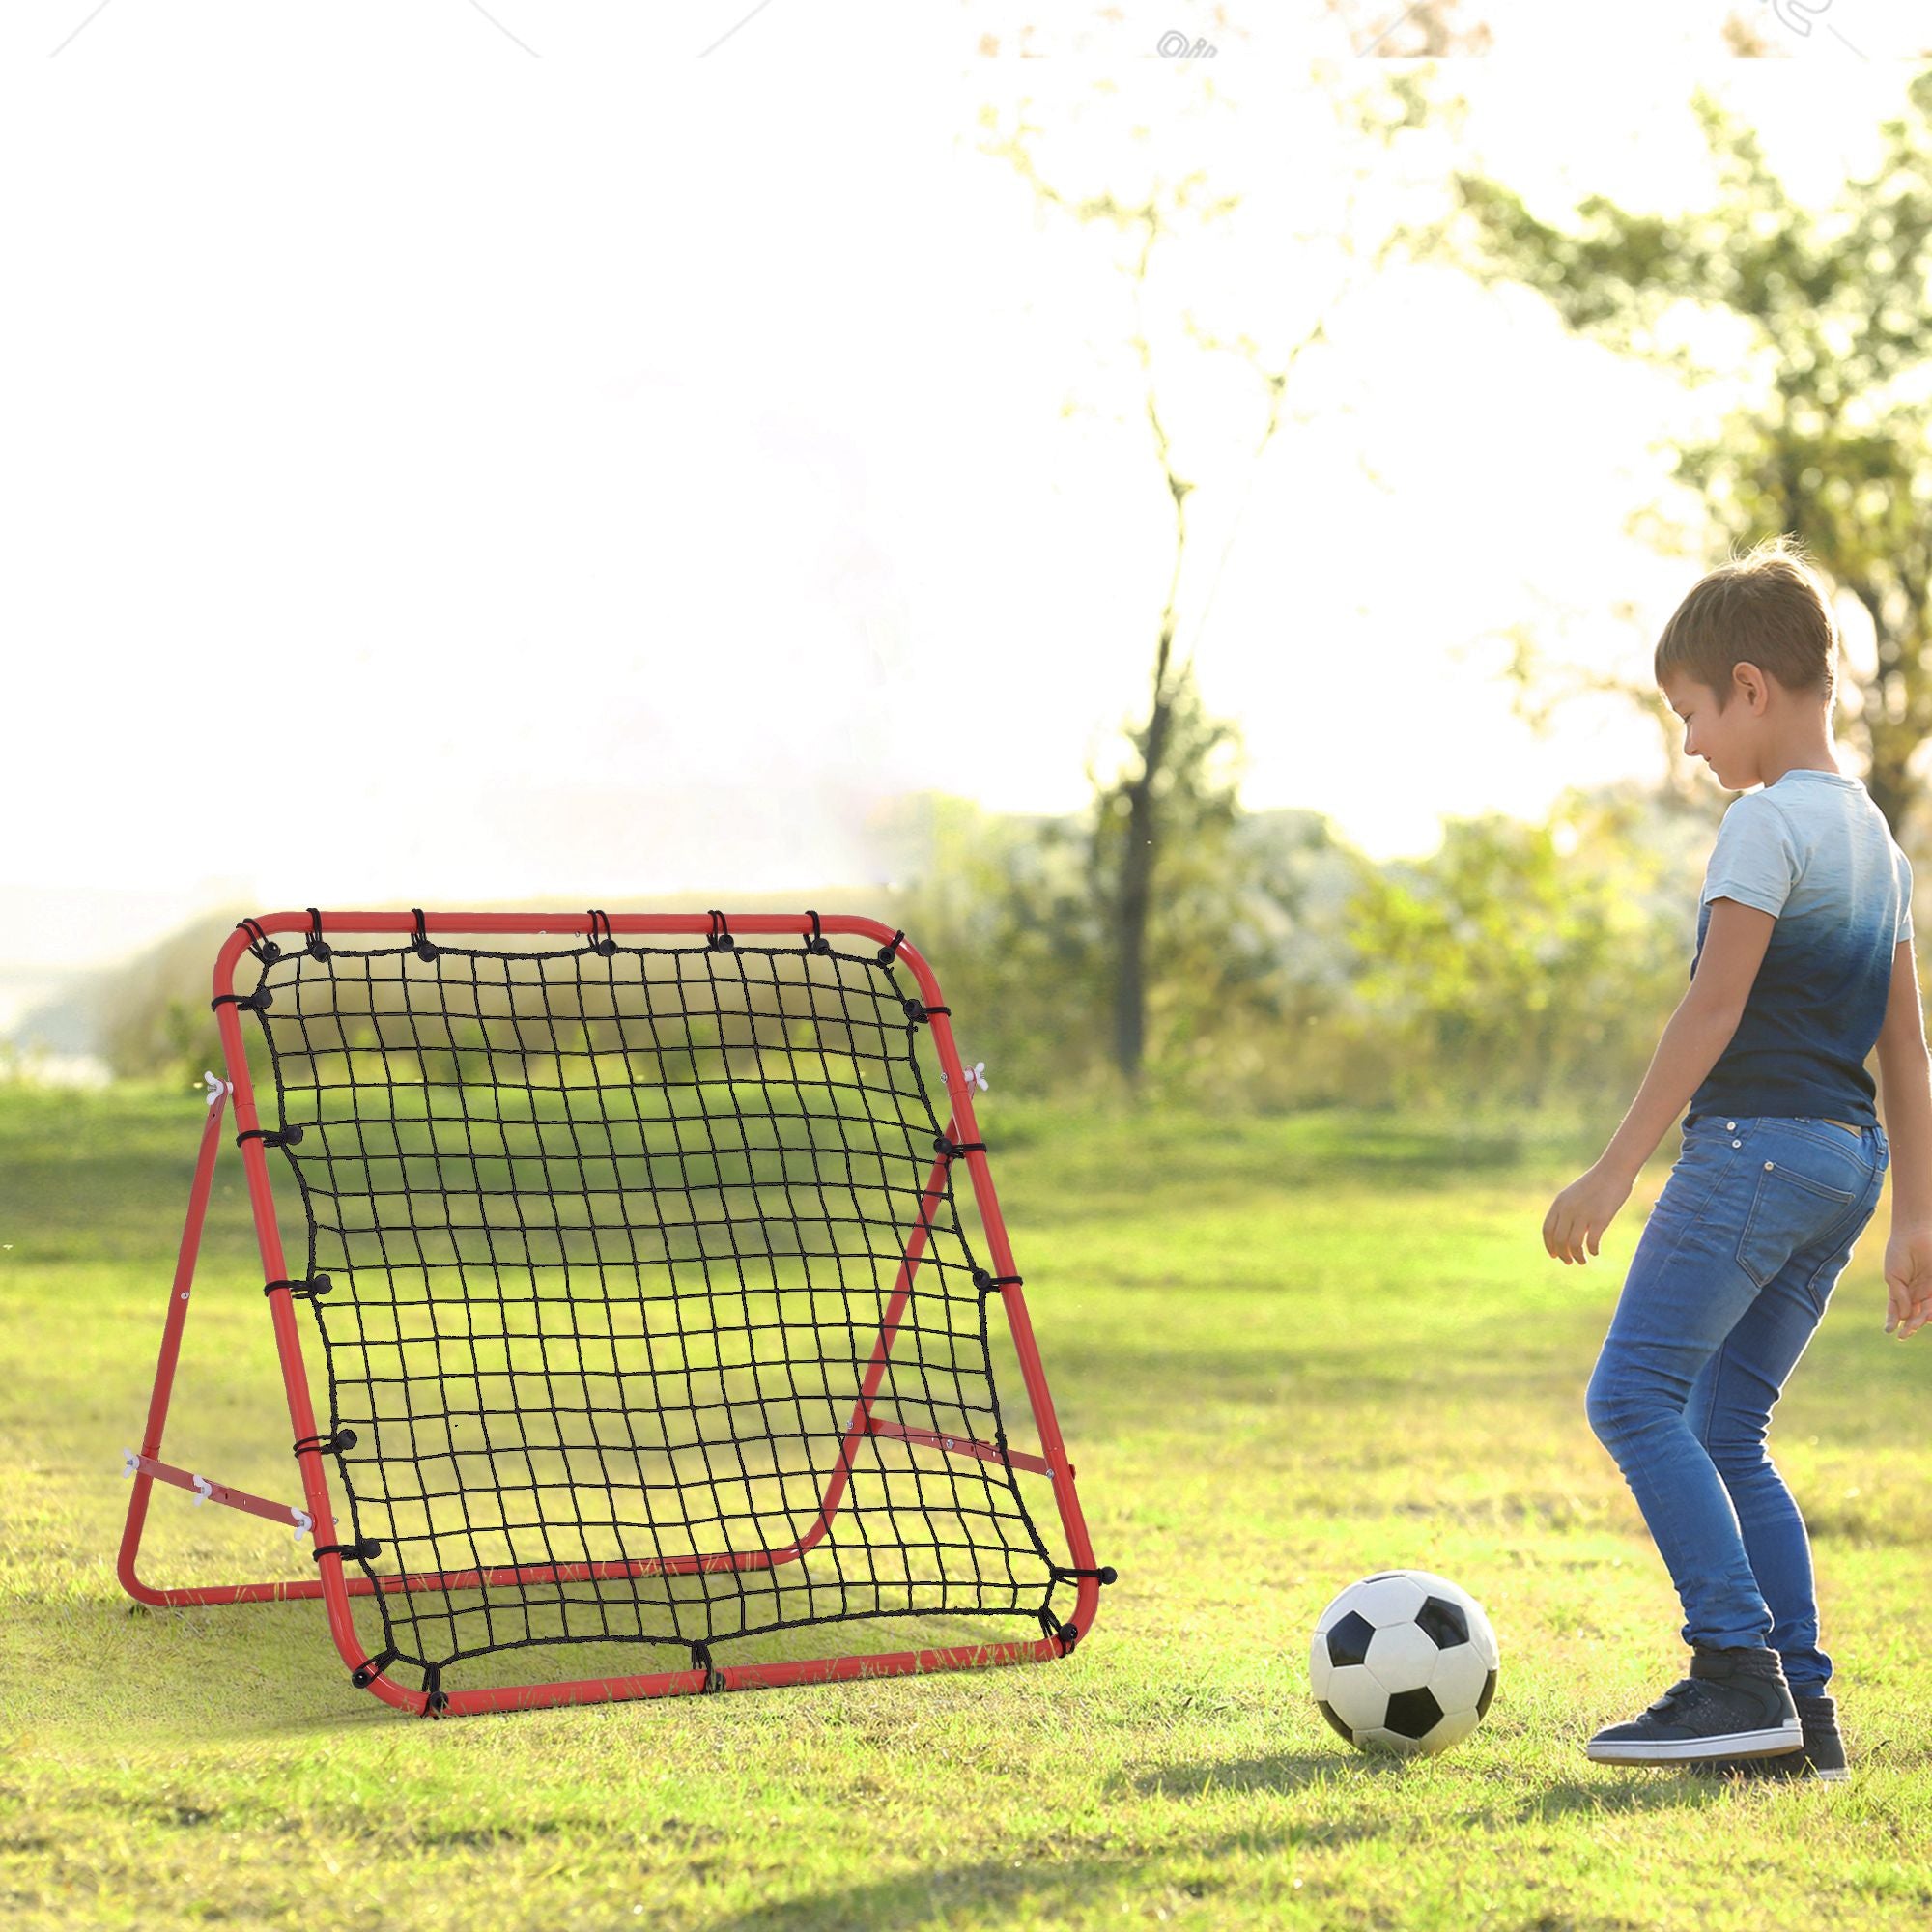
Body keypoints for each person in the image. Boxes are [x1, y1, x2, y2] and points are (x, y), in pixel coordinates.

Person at [1541, 534, 1932, 1783]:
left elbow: (1711, 1011)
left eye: (1693, 715)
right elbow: (1908, 1051)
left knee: (1633, 1399)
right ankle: (1802, 1719)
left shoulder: (1769, 825)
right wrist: (1916, 1217)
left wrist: (1611, 1171)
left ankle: (1733, 1676)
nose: (1694, 746)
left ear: (1752, 687)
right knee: (1729, 1422)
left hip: (1757, 1152)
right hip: (1845, 1165)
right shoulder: (1875, 838)